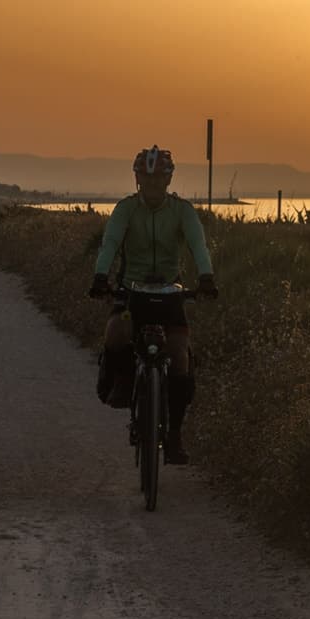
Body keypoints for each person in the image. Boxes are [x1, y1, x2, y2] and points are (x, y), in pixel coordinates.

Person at [88, 145, 218, 464]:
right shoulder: (126, 209)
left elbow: (198, 245)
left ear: (168, 179)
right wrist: (100, 277)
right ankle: (121, 382)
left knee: (180, 359)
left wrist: (206, 278)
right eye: (146, 178)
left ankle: (174, 436)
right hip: (132, 290)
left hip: (169, 293)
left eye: (159, 178)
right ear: (137, 179)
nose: (152, 185)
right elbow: (110, 244)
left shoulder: (182, 211)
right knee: (116, 333)